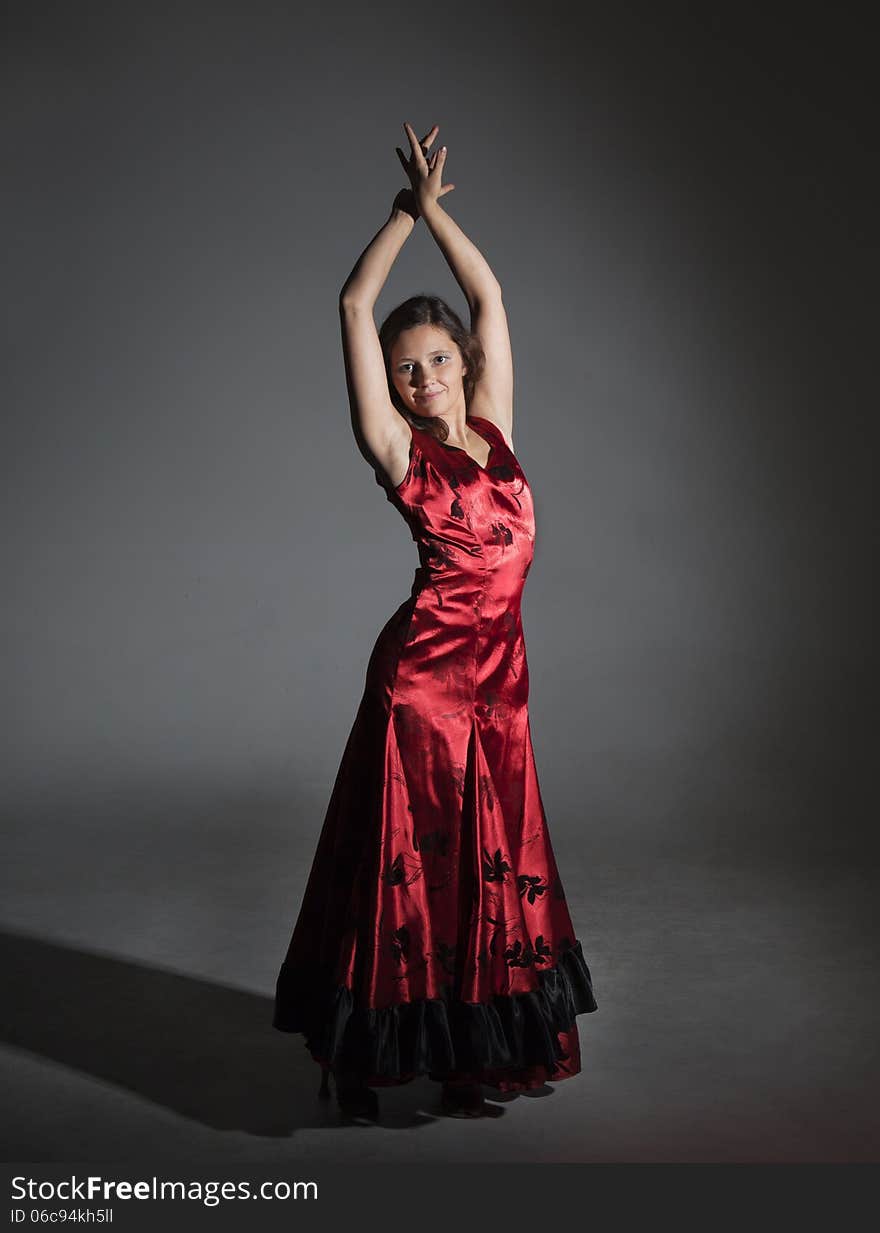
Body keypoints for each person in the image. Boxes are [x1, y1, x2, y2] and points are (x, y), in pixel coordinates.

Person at [273, 122, 597, 1120]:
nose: (422, 381)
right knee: (409, 880)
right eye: (405, 370)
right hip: (421, 689)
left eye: (433, 361)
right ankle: (371, 1060)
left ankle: (468, 1060)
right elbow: (352, 300)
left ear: (460, 361)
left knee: (488, 880)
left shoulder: (494, 424)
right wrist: (398, 216)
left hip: (502, 690)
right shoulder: (399, 453)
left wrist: (440, 214)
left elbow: (491, 297)